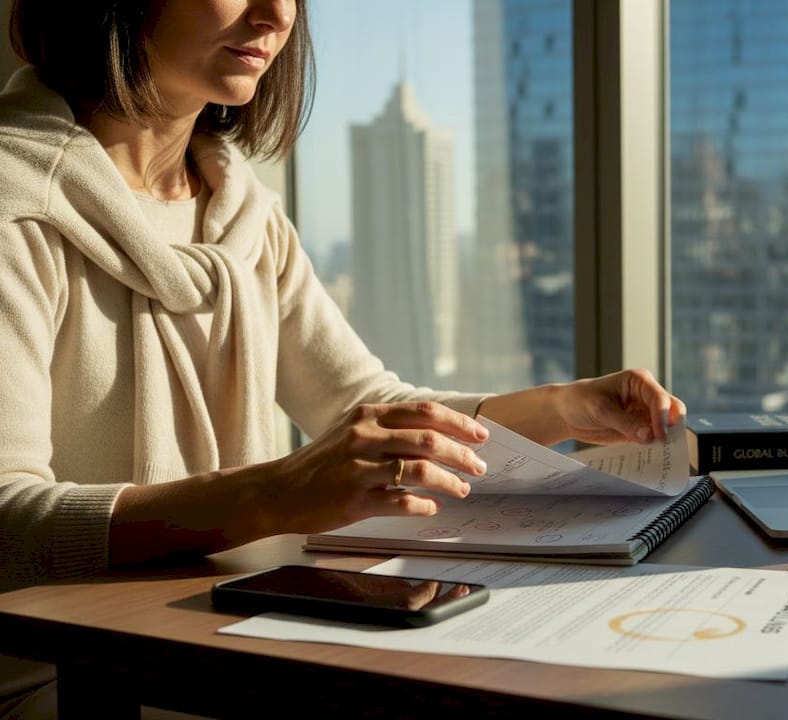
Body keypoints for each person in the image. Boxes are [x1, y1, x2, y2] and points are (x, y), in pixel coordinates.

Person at [0, 1, 685, 715]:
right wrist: (273, 494)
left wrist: (562, 408)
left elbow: (359, 405)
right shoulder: (13, 203)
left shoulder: (242, 213)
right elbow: (7, 523)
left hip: (218, 651)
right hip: (56, 681)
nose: (276, 15)